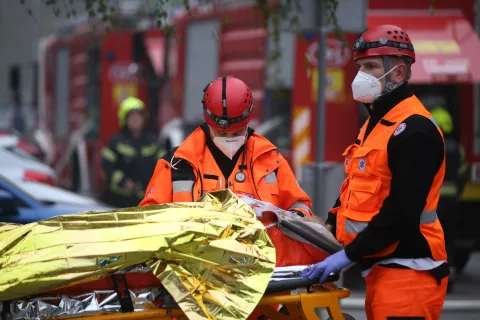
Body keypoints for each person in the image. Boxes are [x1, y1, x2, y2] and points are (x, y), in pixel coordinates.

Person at [302, 25, 449, 319]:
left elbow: (401, 212)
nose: (360, 76)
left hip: (410, 274)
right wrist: (327, 228)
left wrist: (348, 256)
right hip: (384, 272)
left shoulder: (414, 129)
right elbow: (356, 189)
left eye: (370, 66)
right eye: (359, 67)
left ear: (398, 73)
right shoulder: (376, 123)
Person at [140, 76, 328, 267]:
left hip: (265, 275)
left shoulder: (271, 161)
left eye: (237, 132)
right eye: (222, 133)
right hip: (195, 276)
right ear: (209, 123)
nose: (229, 138)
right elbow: (148, 221)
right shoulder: (177, 164)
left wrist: (287, 218)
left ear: (247, 123)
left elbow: (301, 208)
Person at [101, 96, 166, 208]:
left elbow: (165, 163)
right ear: (124, 119)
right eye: (132, 117)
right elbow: (107, 165)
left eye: (138, 116)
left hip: (148, 198)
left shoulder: (152, 141)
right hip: (120, 199)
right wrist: (123, 181)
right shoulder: (116, 142)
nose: (135, 120)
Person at [430, 106, 469, 292]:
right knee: (449, 240)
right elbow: (463, 174)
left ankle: (435, 275)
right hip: (452, 202)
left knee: (432, 239)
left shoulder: (431, 145)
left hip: (434, 202)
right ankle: (450, 276)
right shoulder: (458, 148)